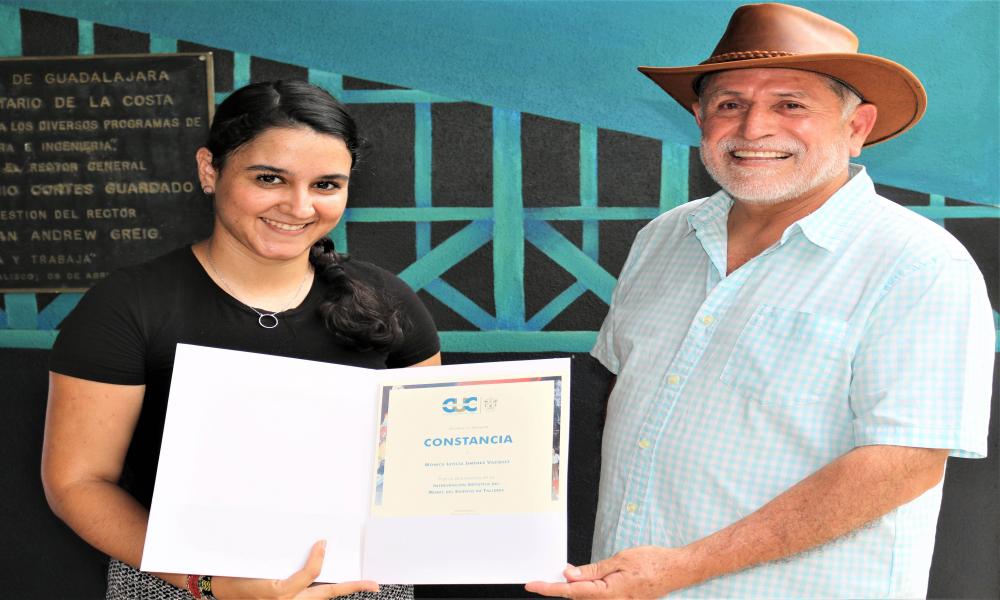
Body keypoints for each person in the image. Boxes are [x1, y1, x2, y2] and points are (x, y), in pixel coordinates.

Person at [527, 3, 994, 598]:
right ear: (700, 118)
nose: (753, 130)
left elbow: (902, 464)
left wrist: (683, 568)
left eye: (790, 105)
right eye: (730, 105)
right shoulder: (663, 239)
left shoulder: (919, 264)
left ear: (857, 127)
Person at [41, 80, 441, 600]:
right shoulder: (125, 306)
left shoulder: (387, 299)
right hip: (180, 583)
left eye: (326, 185)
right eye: (270, 178)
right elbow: (78, 483)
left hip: (355, 585)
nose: (299, 207)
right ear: (210, 170)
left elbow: (423, 467)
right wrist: (206, 582)